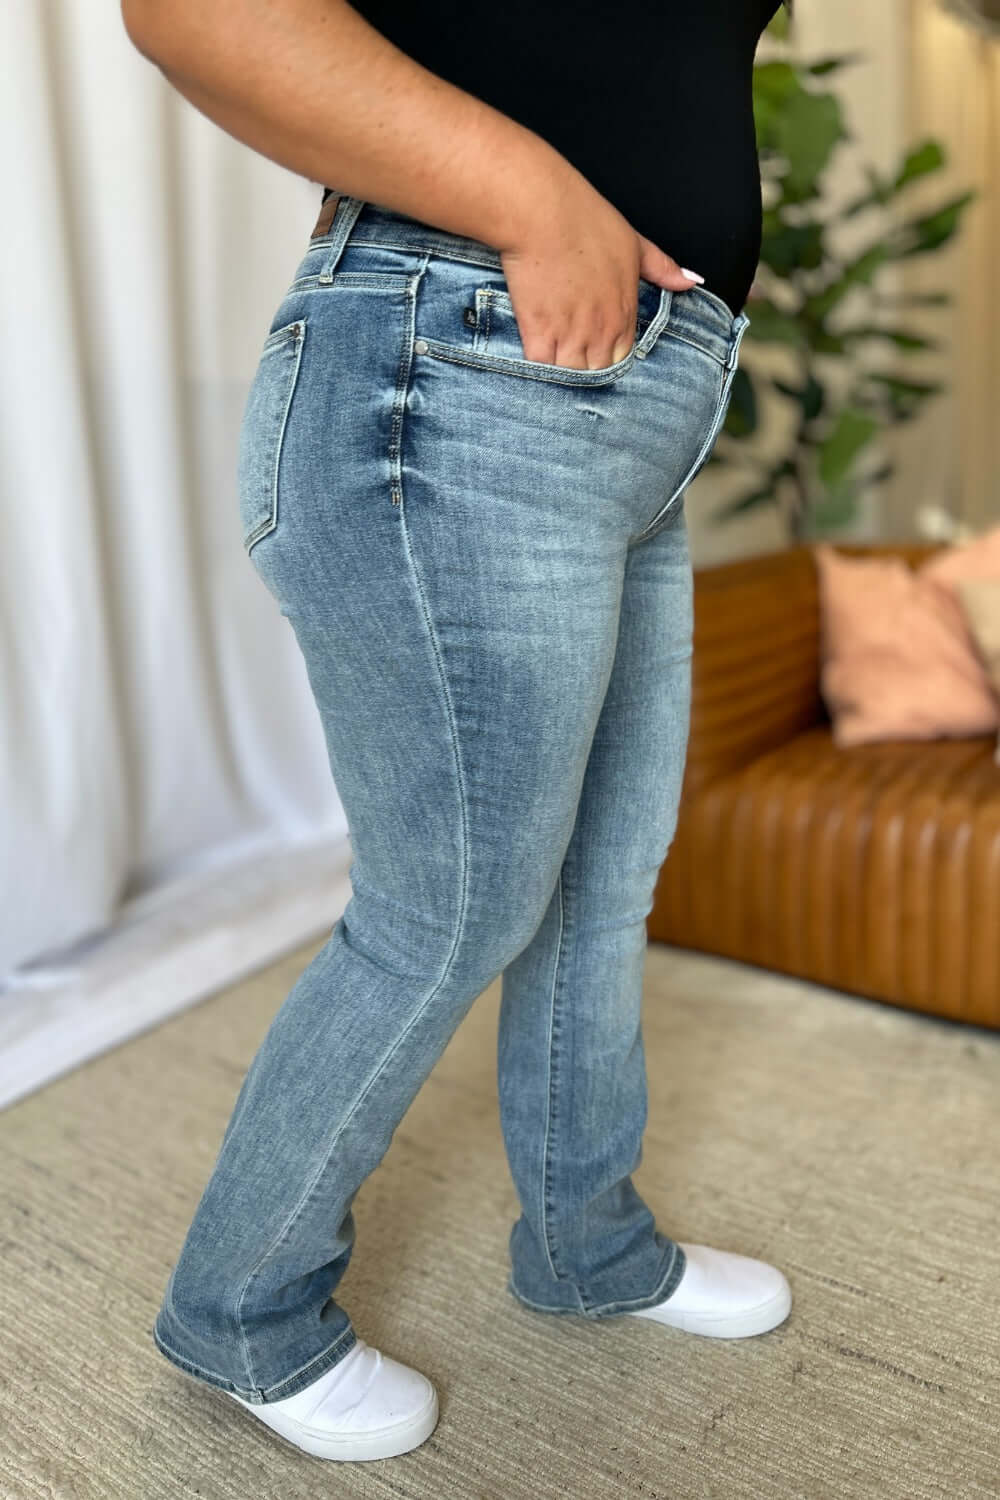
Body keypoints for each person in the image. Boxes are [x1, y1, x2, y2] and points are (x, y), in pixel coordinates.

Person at [122, 0, 793, 1465]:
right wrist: (533, 197)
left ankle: (589, 1247)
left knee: (602, 882)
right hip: (462, 362)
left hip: (625, 392)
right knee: (448, 906)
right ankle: (241, 1311)